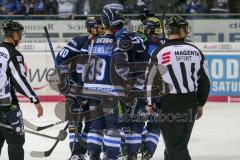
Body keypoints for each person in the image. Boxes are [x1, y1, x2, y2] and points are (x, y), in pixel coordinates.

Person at [145, 16, 210, 160]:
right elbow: (205, 81)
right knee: (177, 145)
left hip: (169, 104)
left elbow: (150, 80)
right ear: (181, 30)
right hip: (190, 102)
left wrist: (150, 103)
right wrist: (200, 104)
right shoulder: (196, 51)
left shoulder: (159, 52)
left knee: (175, 147)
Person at [56, 16, 104, 160]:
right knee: (74, 123)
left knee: (91, 124)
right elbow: (60, 62)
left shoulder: (104, 44)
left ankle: (82, 150)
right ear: (92, 28)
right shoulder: (78, 41)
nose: (103, 30)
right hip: (74, 91)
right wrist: (68, 81)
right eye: (100, 27)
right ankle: (76, 153)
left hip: (94, 92)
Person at [0, 20, 43, 160]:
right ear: (14, 35)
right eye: (19, 34)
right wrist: (35, 100)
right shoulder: (13, 54)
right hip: (8, 108)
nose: (21, 37)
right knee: (16, 145)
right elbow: (19, 80)